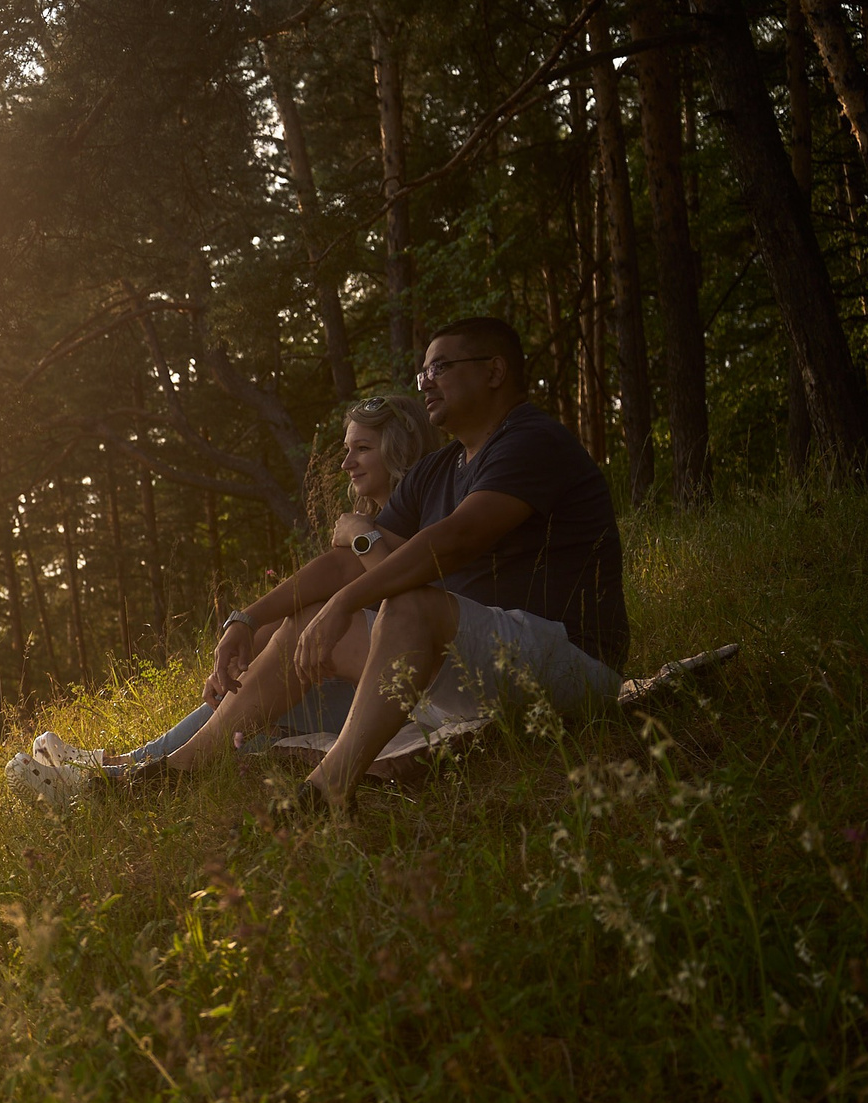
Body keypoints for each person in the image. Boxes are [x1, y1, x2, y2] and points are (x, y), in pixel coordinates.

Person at [132, 316, 626, 814]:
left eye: (442, 367)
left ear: (494, 371)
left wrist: (348, 601)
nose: (427, 381)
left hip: (569, 667)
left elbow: (458, 537)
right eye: (423, 373)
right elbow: (345, 563)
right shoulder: (438, 469)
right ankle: (179, 771)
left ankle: (325, 793)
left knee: (409, 604)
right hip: (473, 675)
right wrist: (248, 619)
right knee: (309, 616)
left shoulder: (530, 440)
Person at [32, 391, 438, 771]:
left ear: (399, 450)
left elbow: (404, 593)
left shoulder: (423, 516)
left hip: (410, 690)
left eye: (363, 449)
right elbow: (309, 609)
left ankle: (127, 768)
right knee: (251, 698)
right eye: (347, 449)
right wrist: (245, 647)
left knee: (259, 702)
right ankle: (123, 764)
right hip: (370, 677)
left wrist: (360, 536)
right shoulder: (372, 526)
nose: (347, 462)